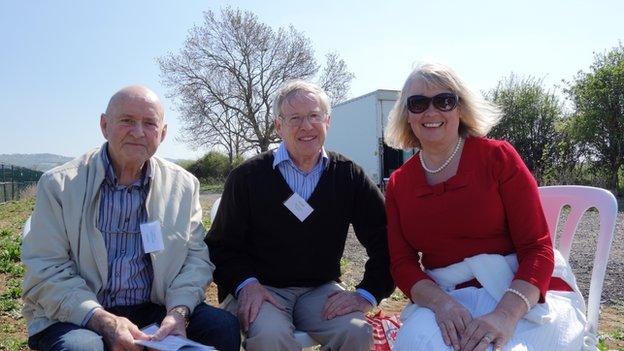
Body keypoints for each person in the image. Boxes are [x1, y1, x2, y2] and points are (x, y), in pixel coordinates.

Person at [384, 63, 586, 351]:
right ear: (406, 114)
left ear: (460, 108)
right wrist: (443, 305)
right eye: (418, 104)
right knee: (417, 343)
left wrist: (505, 317)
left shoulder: (498, 158)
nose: (431, 112)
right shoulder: (398, 184)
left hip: (517, 292)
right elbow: (402, 264)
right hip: (445, 298)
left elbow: (536, 249)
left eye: (444, 101)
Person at [21, 85, 240, 351]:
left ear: (163, 133)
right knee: (82, 348)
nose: (138, 132)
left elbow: (195, 258)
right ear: (104, 125)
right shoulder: (60, 185)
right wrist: (100, 319)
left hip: (155, 307)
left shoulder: (183, 186)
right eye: (127, 121)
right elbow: (46, 268)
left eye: (149, 123)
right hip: (80, 313)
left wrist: (178, 311)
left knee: (222, 327)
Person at [206, 80, 395, 351]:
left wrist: (367, 293)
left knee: (356, 332)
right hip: (262, 289)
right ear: (278, 126)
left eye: (314, 116)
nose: (306, 126)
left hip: (319, 290)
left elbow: (385, 237)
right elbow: (221, 246)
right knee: (271, 336)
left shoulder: (348, 175)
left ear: (327, 121)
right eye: (295, 118)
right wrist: (246, 284)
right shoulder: (247, 177)